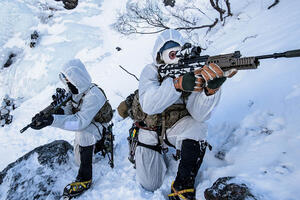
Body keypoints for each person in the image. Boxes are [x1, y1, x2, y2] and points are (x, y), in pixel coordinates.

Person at [118, 29, 237, 200]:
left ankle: (183, 186)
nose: (174, 56)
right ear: (159, 55)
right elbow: (150, 105)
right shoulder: (151, 71)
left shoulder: (192, 69)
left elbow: (199, 115)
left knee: (197, 126)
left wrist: (210, 91)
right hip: (150, 129)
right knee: (151, 184)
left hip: (175, 127)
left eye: (177, 52)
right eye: (170, 52)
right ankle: (139, 143)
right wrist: (176, 85)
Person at [30, 59, 111, 198]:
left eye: (68, 77)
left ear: (76, 76)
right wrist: (47, 116)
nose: (66, 81)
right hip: (87, 123)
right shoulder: (75, 90)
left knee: (83, 133)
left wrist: (51, 120)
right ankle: (97, 145)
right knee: (79, 159)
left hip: (98, 125)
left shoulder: (94, 95)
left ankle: (85, 179)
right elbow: (68, 112)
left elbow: (78, 123)